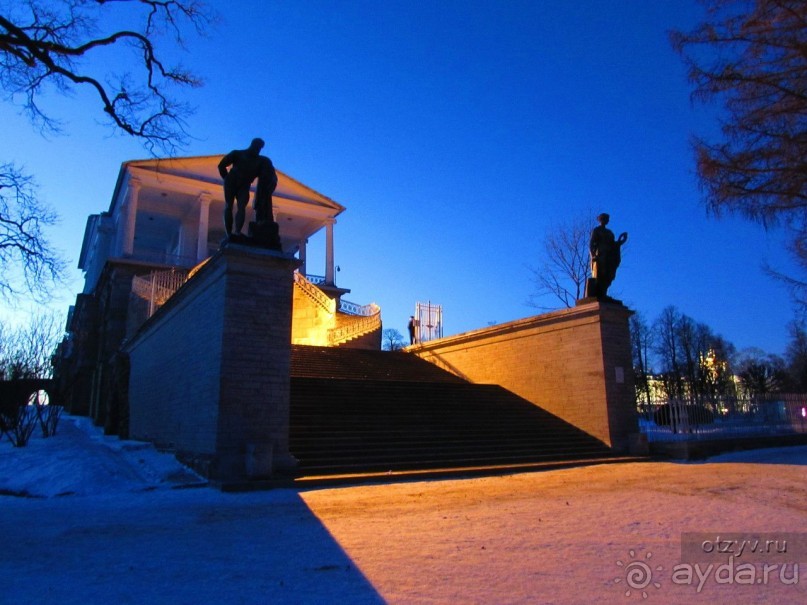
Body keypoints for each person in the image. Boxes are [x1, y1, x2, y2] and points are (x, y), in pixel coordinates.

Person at [218, 138, 277, 239]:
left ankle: (237, 232)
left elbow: (267, 174)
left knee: (241, 207)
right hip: (232, 180)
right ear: (253, 144)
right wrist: (227, 179)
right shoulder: (237, 153)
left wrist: (272, 180)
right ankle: (229, 234)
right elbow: (221, 165)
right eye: (257, 146)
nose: (258, 149)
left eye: (260, 148)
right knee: (229, 205)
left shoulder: (260, 161)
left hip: (244, 185)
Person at [588, 213, 627, 299]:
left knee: (608, 274)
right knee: (600, 273)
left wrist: (621, 241)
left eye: (607, 219)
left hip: (609, 256)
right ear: (600, 220)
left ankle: (603, 293)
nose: (605, 221)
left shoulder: (610, 232)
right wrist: (592, 255)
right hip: (601, 255)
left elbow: (614, 245)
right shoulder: (597, 230)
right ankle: (599, 293)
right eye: (604, 219)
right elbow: (591, 243)